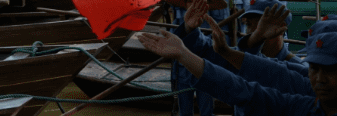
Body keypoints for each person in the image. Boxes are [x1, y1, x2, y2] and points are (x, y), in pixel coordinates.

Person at [141, 23, 337, 115]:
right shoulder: (306, 107)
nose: (319, 79)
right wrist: (184, 55)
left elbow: (272, 72)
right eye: (315, 69)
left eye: (328, 70)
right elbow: (248, 89)